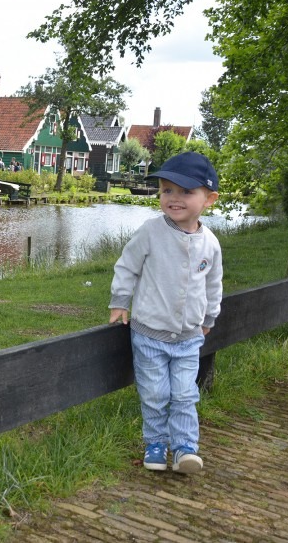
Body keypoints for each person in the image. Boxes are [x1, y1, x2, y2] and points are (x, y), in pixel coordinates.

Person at [108, 151, 222, 475]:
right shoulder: (151, 232)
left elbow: (214, 284)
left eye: (186, 192)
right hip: (149, 333)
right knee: (155, 392)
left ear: (209, 198)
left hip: (188, 338)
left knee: (185, 393)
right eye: (167, 190)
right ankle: (155, 442)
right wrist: (120, 302)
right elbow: (127, 266)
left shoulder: (210, 244)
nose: (174, 198)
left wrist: (210, 318)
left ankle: (185, 448)